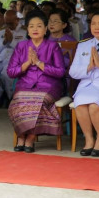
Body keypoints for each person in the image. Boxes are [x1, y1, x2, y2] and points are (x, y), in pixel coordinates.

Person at [7, 10, 65, 153]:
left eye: (39, 26)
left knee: (39, 101)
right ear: (27, 29)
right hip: (25, 85)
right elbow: (10, 72)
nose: (35, 29)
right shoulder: (21, 46)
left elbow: (60, 72)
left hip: (49, 86)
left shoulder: (53, 46)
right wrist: (27, 63)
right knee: (18, 100)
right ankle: (21, 135)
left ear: (45, 29)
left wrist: (39, 63)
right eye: (31, 26)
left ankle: (31, 137)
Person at [69, 11, 99, 157]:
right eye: (93, 24)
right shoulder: (84, 45)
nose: (96, 27)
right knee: (80, 104)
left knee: (94, 105)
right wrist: (88, 67)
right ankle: (89, 140)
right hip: (85, 86)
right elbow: (73, 72)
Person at [0, 10, 27, 103]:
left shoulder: (25, 31)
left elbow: (24, 50)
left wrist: (11, 41)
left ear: (17, 20)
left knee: (6, 75)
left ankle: (11, 98)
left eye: (10, 23)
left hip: (15, 60)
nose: (8, 25)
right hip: (1, 59)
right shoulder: (0, 31)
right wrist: (4, 42)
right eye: (6, 23)